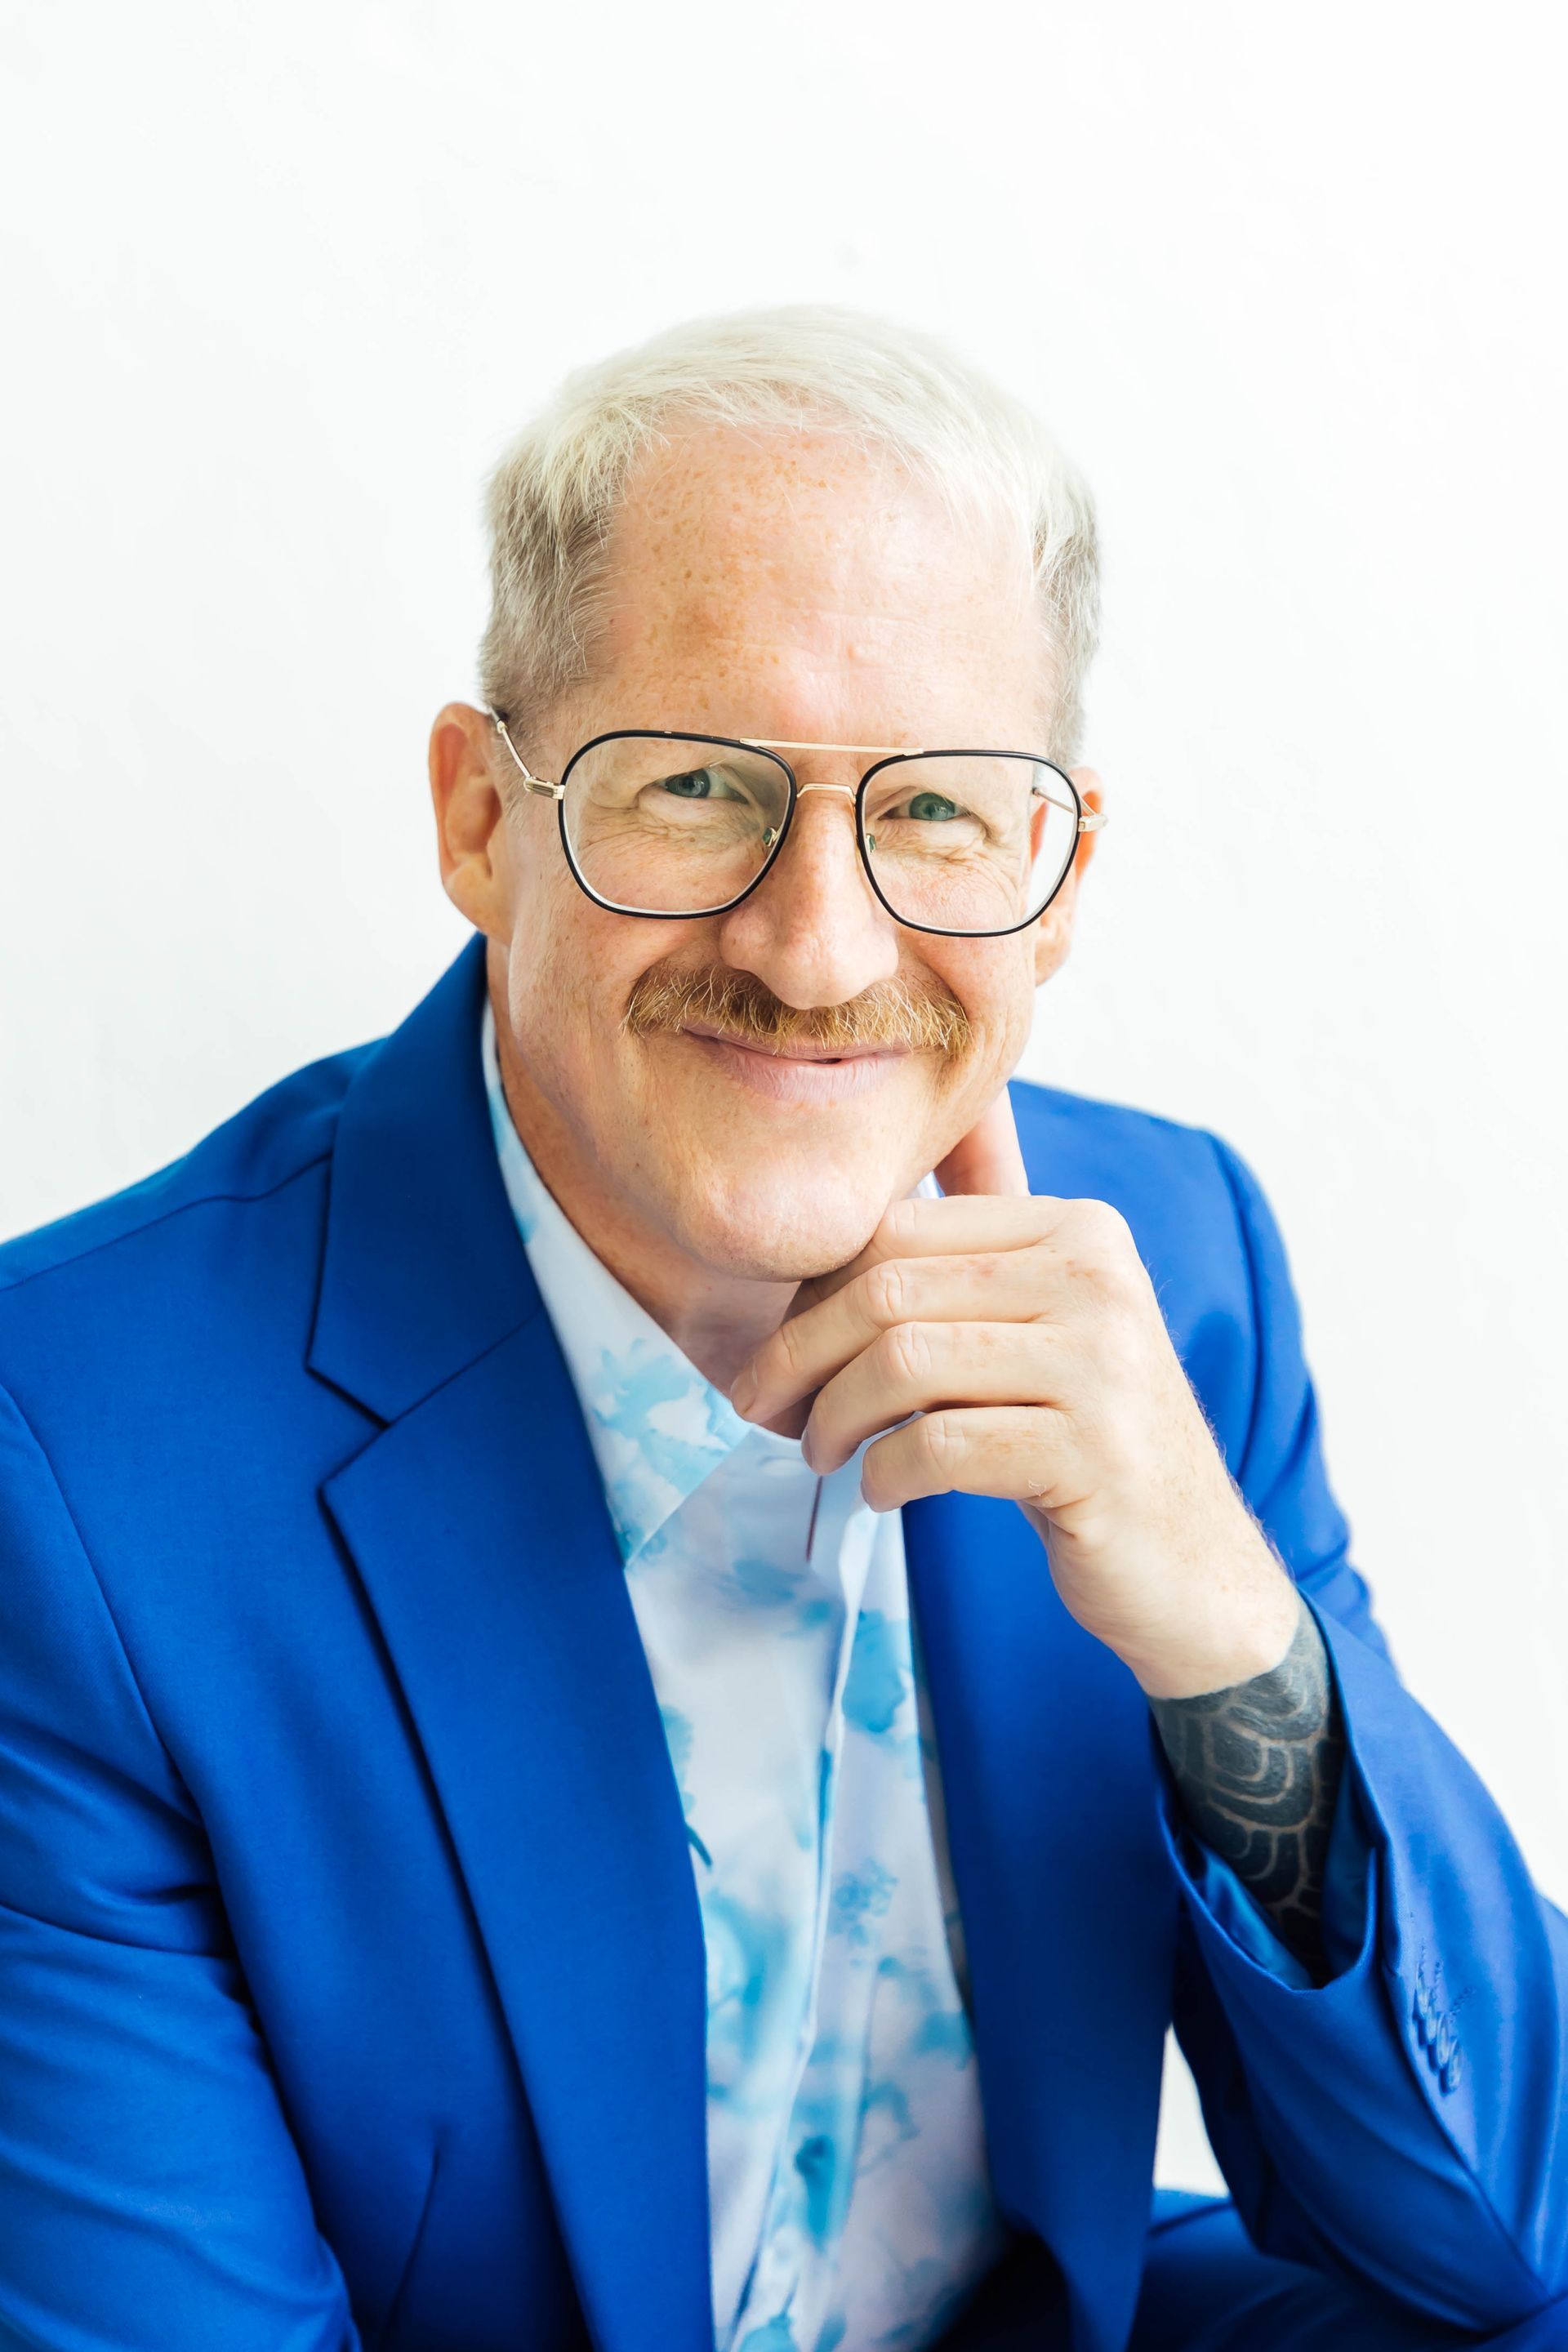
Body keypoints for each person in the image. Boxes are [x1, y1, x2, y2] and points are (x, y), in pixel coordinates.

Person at [0, 309, 1561, 2352]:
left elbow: (1496, 2229)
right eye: (698, 787)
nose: (817, 949)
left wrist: (1235, 1647)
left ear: (1059, 874)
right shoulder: (73, 1461)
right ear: (482, 817)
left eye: (932, 815)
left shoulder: (1170, 1261)